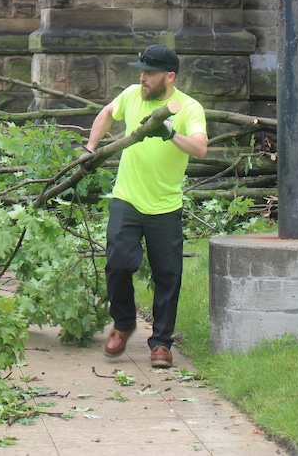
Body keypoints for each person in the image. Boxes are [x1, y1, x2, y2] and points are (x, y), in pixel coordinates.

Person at [83, 43, 208, 369]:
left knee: (169, 274)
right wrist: (90, 149)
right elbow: (107, 113)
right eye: (141, 71)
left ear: (170, 76)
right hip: (127, 198)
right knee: (119, 263)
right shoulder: (131, 96)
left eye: (150, 73)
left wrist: (169, 133)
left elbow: (200, 148)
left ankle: (161, 344)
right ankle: (123, 324)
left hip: (165, 205)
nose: (143, 78)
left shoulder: (188, 108)